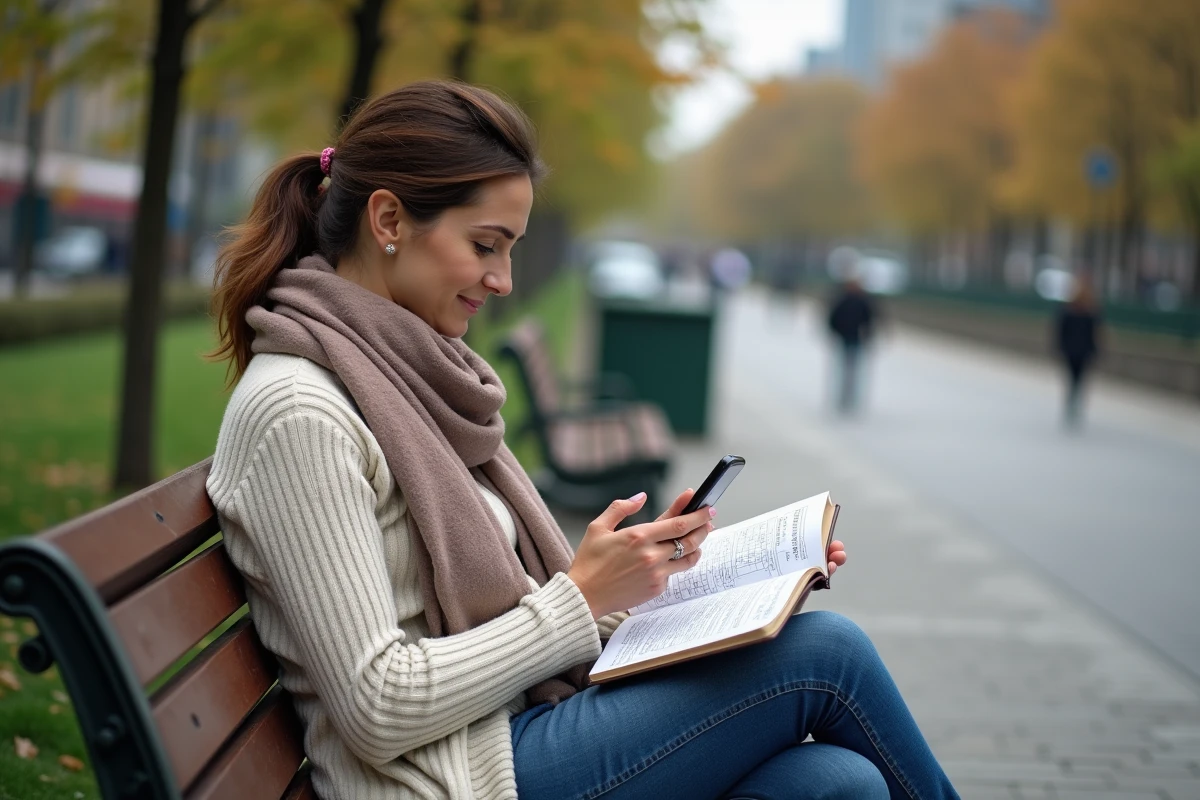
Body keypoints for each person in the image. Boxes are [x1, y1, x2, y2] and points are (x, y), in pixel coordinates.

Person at [206, 80, 958, 800]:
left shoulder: (403, 379)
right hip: (450, 777)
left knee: (839, 782)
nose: (502, 279)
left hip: (510, 733)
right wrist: (578, 596)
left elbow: (519, 615)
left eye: (512, 249)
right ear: (390, 220)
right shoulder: (301, 413)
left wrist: (702, 589)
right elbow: (379, 707)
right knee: (828, 657)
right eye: (486, 245)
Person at [1054, 278, 1102, 427]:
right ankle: (1073, 404)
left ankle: (1073, 404)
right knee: (1077, 380)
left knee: (1075, 380)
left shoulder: (1087, 313)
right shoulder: (1078, 312)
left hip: (1076, 352)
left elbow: (1094, 334)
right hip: (1078, 352)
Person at [827, 278, 876, 414]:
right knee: (845, 369)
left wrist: (868, 336)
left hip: (857, 340)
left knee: (853, 370)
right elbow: (833, 318)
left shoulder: (863, 301)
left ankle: (851, 397)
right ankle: (843, 396)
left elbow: (869, 320)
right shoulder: (842, 300)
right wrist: (836, 333)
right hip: (844, 339)